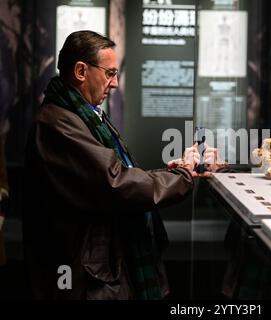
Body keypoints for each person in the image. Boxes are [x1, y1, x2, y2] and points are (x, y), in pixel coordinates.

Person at [22, 30, 201, 300]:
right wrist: (183, 175)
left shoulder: (77, 115)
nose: (115, 83)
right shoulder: (57, 123)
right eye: (109, 73)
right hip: (81, 274)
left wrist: (171, 173)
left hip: (93, 265)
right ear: (81, 71)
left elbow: (117, 172)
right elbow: (115, 182)